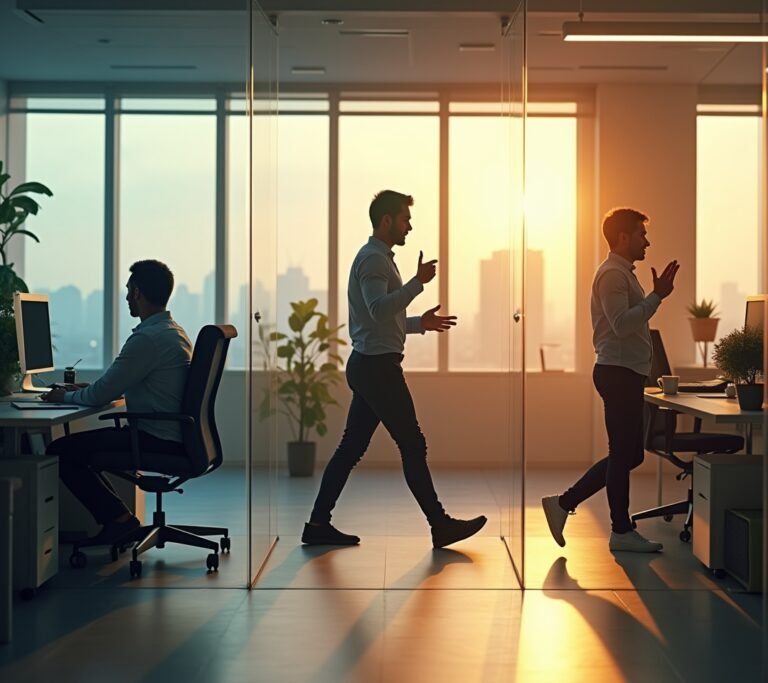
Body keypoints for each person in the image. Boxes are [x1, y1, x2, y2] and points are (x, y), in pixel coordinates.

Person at [302, 190, 487, 549]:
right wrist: (418, 283)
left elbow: (384, 319)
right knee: (412, 442)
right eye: (404, 218)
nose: (409, 225)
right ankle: (440, 525)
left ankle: (317, 524)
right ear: (386, 220)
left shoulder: (379, 258)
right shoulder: (373, 260)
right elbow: (376, 310)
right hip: (377, 369)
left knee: (351, 449)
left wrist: (419, 323)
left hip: (370, 365)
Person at [541, 207, 679, 553]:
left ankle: (563, 503)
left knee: (631, 455)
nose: (647, 241)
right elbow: (621, 323)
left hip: (625, 374)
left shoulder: (623, 274)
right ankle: (620, 530)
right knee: (622, 453)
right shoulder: (612, 276)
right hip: (617, 373)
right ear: (622, 237)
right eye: (641, 234)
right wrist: (657, 296)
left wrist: (653, 295)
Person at [45, 259, 193, 544]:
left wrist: (64, 396)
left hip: (154, 438)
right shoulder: (172, 332)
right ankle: (119, 518)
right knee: (75, 449)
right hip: (173, 434)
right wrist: (87, 388)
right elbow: (126, 385)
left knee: (60, 450)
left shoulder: (147, 339)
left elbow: (100, 396)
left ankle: (118, 519)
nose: (126, 297)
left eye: (128, 290)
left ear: (137, 292)